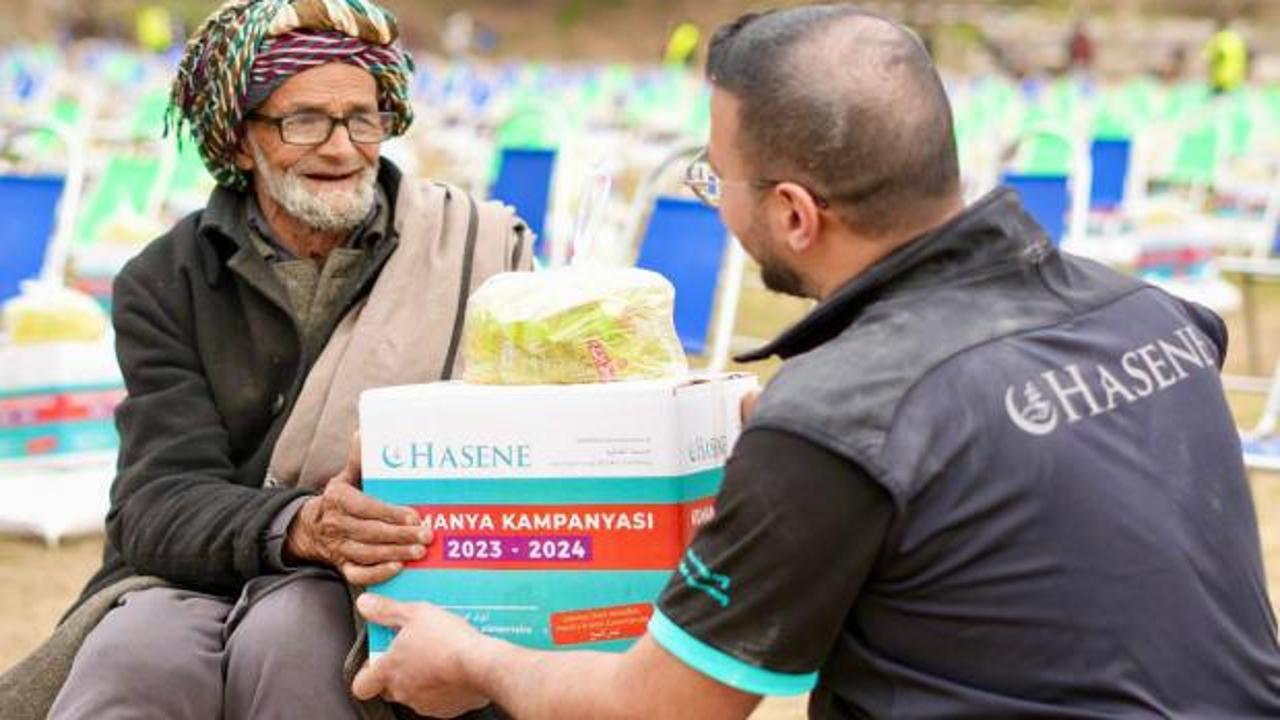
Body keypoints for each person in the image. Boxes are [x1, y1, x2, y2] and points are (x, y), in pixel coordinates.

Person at [350, 5, 1280, 718]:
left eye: (716, 180)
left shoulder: (839, 420)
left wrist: (471, 657)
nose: (716, 204)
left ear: (794, 213)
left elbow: (657, 708)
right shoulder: (1152, 315)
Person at [0, 1, 530, 719]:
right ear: (241, 141)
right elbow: (157, 502)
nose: (341, 149)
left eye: (362, 119)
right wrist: (303, 524)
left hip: (393, 579)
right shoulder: (165, 280)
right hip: (194, 572)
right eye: (304, 122)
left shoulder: (467, 251)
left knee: (293, 638)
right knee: (139, 656)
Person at [1204, 18, 1248, 95]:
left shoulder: (1220, 38)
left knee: (1220, 99)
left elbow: (1216, 53)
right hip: (1236, 77)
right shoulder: (1236, 38)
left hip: (1221, 78)